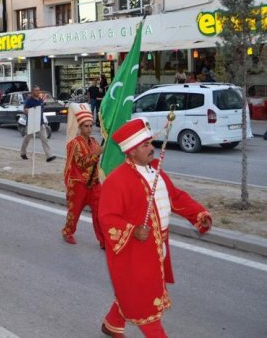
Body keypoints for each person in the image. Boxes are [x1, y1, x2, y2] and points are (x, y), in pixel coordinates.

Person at [99, 118, 212, 337]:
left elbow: (175, 197)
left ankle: (112, 324)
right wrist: (132, 230)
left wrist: (198, 214)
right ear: (131, 152)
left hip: (157, 246)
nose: (152, 148)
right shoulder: (117, 180)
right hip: (134, 250)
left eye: (150, 143)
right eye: (145, 145)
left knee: (134, 292)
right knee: (145, 304)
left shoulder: (155, 171)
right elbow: (107, 218)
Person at [61, 103, 104, 247]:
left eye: (91, 126)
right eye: (86, 126)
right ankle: (67, 232)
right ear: (79, 127)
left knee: (100, 214)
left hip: (94, 184)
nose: (90, 129)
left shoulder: (94, 141)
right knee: (75, 212)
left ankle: (103, 240)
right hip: (79, 184)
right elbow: (81, 164)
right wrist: (96, 154)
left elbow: (96, 163)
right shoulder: (74, 144)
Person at [20, 86, 56, 162]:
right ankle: (23, 152)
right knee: (27, 139)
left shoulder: (40, 100)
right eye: (36, 90)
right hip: (31, 123)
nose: (38, 92)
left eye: (39, 90)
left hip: (40, 122)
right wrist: (32, 110)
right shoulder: (29, 100)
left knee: (44, 139)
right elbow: (25, 110)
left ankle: (49, 156)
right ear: (32, 91)